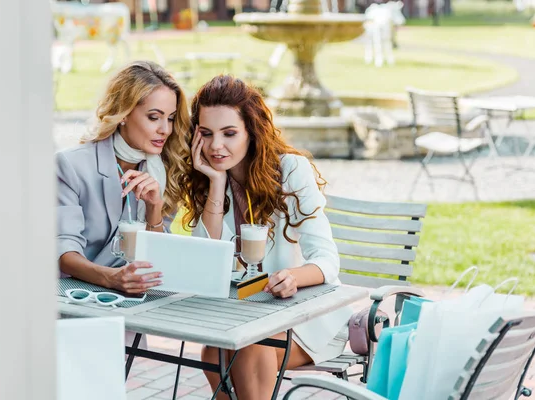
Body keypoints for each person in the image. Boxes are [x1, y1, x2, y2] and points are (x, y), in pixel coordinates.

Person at [182, 75, 350, 399]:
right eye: (206, 134)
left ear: (251, 131)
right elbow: (204, 265)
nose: (217, 146)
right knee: (213, 352)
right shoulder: (208, 182)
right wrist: (216, 185)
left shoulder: (290, 171)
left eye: (229, 133)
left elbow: (328, 261)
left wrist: (292, 277)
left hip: (308, 320)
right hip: (243, 316)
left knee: (251, 345)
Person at [56, 60, 190, 293]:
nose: (165, 130)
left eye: (170, 118)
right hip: (77, 300)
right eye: (154, 117)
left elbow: (157, 261)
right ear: (124, 113)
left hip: (136, 302)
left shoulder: (164, 169)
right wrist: (112, 278)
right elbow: (63, 252)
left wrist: (154, 208)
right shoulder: (71, 165)